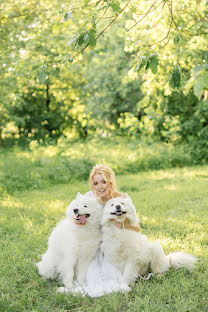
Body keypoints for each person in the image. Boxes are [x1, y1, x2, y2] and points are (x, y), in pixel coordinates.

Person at [73, 164, 141, 297]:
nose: (100, 186)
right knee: (89, 272)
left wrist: (119, 224)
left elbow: (137, 228)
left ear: (111, 181)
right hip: (95, 244)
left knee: (114, 275)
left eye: (104, 182)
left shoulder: (122, 199)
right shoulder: (89, 198)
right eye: (96, 183)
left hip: (114, 245)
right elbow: (76, 217)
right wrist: (78, 221)